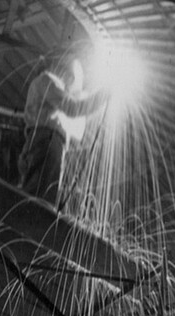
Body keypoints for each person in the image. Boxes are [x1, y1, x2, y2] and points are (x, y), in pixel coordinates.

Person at [18, 55, 105, 208]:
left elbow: (77, 128)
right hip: (47, 141)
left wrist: (93, 99)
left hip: (45, 141)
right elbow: (74, 108)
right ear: (63, 70)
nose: (73, 83)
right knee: (39, 201)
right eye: (73, 77)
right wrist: (103, 94)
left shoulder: (49, 96)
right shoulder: (47, 80)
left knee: (40, 197)